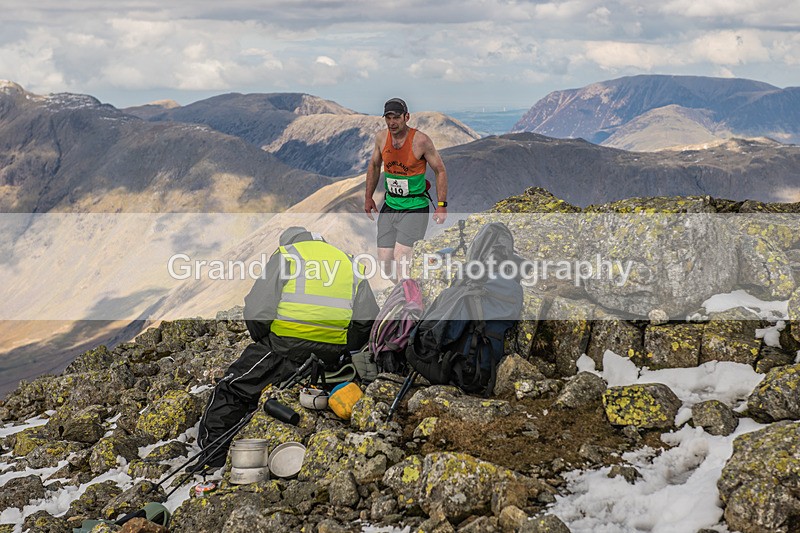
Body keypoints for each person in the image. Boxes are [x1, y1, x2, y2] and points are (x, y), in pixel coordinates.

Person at [189, 226, 379, 472]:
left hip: (284, 347)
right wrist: (340, 347)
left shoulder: (287, 255)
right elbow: (367, 320)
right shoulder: (349, 263)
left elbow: (257, 311)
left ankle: (211, 459)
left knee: (232, 389)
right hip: (332, 357)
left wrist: (265, 340)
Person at [365, 98, 449, 282]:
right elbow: (374, 165)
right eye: (388, 118)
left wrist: (442, 205)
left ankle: (407, 298)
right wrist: (368, 197)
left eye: (396, 117)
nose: (392, 122)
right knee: (385, 263)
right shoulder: (381, 138)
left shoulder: (420, 141)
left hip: (415, 206)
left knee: (401, 255)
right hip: (391, 204)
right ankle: (402, 290)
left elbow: (440, 170)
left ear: (407, 117)